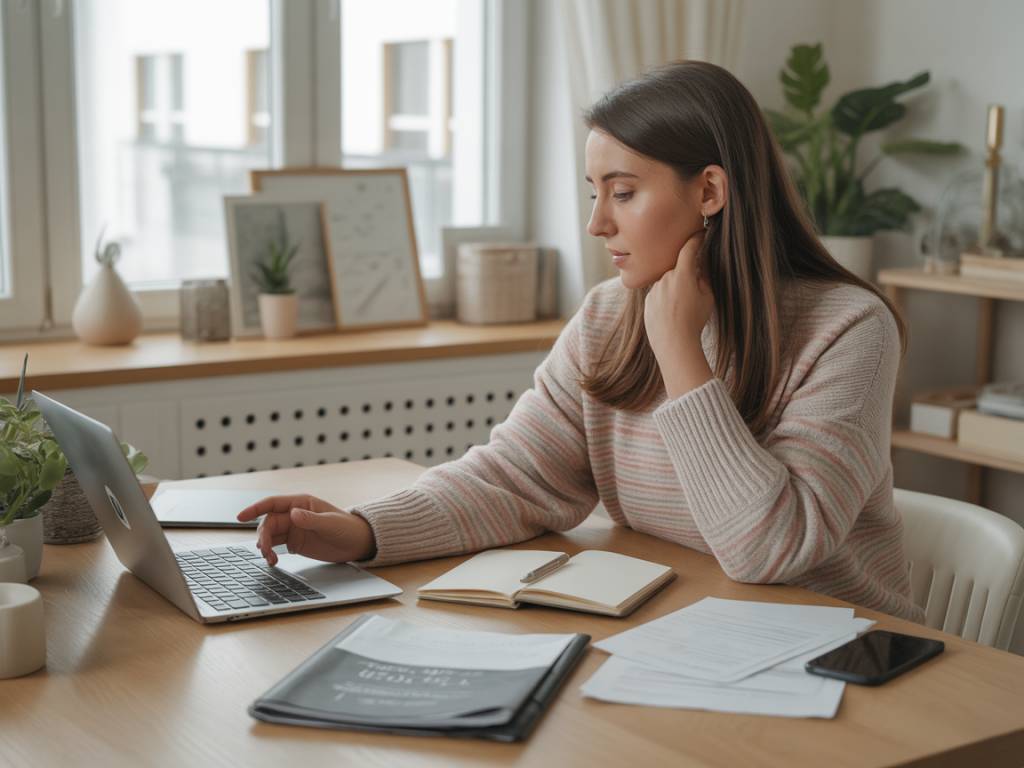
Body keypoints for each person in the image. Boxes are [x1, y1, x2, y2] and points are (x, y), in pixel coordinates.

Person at [238, 61, 923, 622]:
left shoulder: (848, 330)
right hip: (688, 631)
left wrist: (681, 352)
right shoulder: (607, 317)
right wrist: (364, 532)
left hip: (841, 656)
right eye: (594, 192)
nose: (597, 223)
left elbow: (769, 551)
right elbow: (515, 478)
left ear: (710, 190)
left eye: (622, 193)